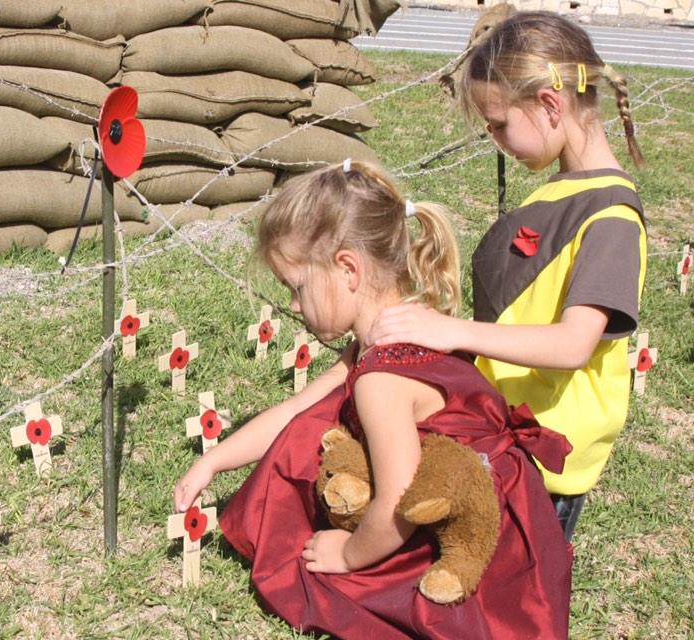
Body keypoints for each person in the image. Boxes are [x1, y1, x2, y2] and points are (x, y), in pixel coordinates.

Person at [174, 160, 572, 639]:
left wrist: (348, 554)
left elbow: (398, 503)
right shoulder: (404, 325)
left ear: (348, 268)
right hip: (496, 515)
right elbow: (296, 410)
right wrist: (214, 461)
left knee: (320, 580)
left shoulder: (380, 379)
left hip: (476, 549)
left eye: (297, 288)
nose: (294, 306)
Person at [370, 11, 647, 542]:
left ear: (549, 105)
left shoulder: (610, 219)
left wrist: (451, 332)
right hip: (507, 433)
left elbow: (573, 345)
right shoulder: (564, 190)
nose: (495, 139)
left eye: (498, 124)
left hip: (546, 455)